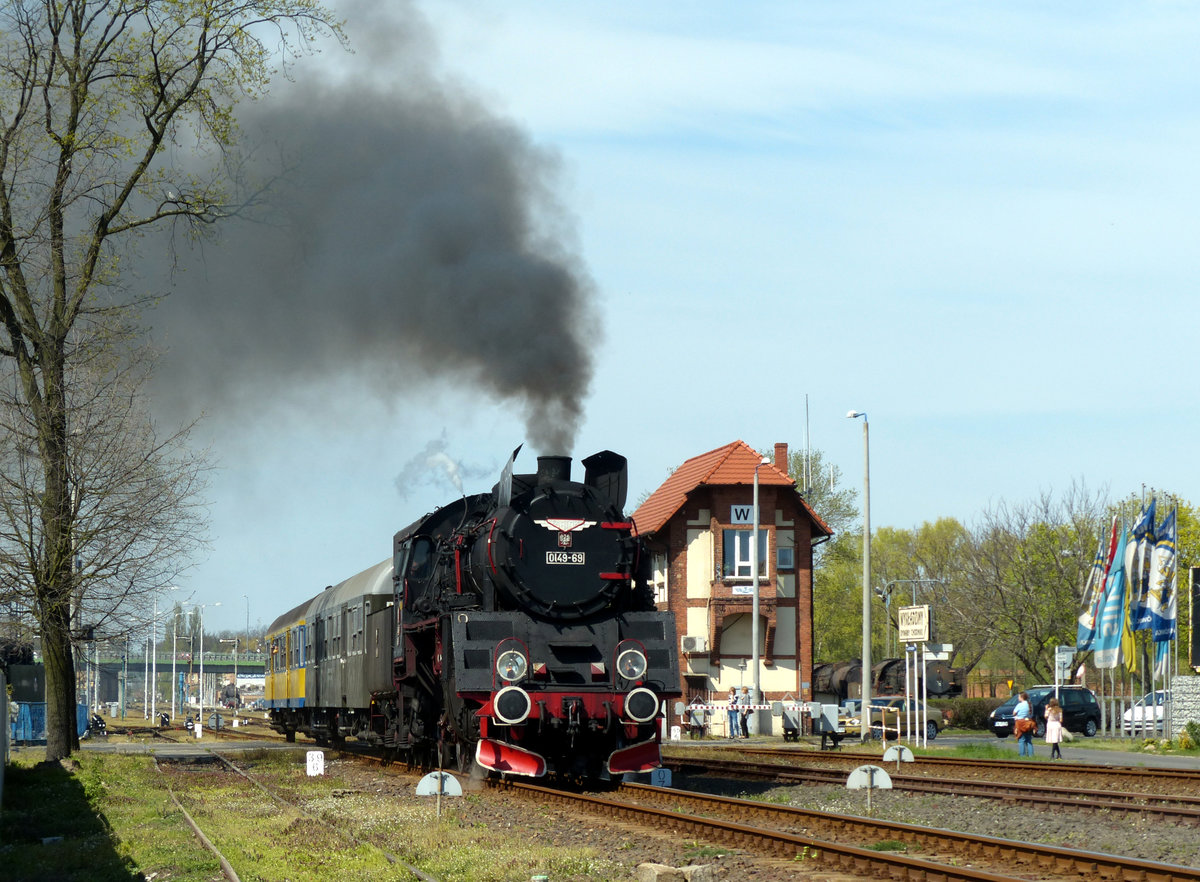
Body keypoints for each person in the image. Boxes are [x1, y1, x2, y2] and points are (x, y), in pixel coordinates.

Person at [1014, 691, 1035, 757]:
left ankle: (1022, 755)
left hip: (1020, 723)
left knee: (1021, 740)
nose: (1018, 698)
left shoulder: (1019, 705)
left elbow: (1014, 713)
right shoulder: (1030, 704)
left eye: (1019, 696)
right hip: (1028, 723)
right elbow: (1031, 714)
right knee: (1028, 740)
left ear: (1022, 697)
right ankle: (1031, 755)